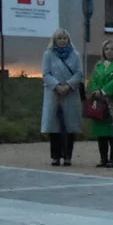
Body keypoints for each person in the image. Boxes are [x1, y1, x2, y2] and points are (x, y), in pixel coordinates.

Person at [40, 28, 83, 167]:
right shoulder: (48, 54)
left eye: (65, 38)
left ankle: (68, 156)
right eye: (60, 38)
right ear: (54, 40)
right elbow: (46, 74)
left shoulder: (75, 54)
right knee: (55, 127)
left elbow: (79, 73)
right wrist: (57, 85)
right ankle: (55, 156)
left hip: (70, 93)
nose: (62, 41)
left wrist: (69, 85)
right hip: (54, 94)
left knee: (70, 126)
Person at [87, 40, 113, 168]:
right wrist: (94, 91)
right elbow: (92, 80)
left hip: (112, 101)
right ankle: (103, 159)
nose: (109, 51)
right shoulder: (99, 65)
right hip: (99, 103)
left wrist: (103, 91)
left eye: (112, 49)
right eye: (107, 49)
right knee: (101, 133)